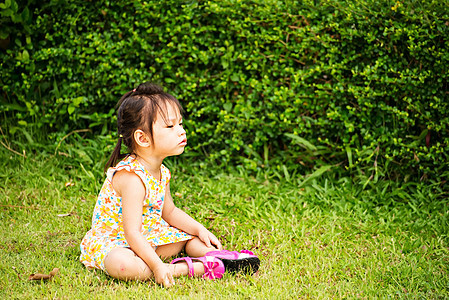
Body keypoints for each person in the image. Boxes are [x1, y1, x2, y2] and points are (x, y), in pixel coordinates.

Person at [80, 82, 259, 287]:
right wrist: (157, 266)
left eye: (180, 124)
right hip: (119, 242)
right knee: (122, 266)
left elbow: (170, 212)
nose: (181, 131)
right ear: (143, 138)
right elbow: (132, 233)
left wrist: (199, 229)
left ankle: (220, 258)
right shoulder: (132, 178)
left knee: (191, 238)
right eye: (170, 126)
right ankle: (186, 268)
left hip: (149, 236)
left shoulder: (161, 171)